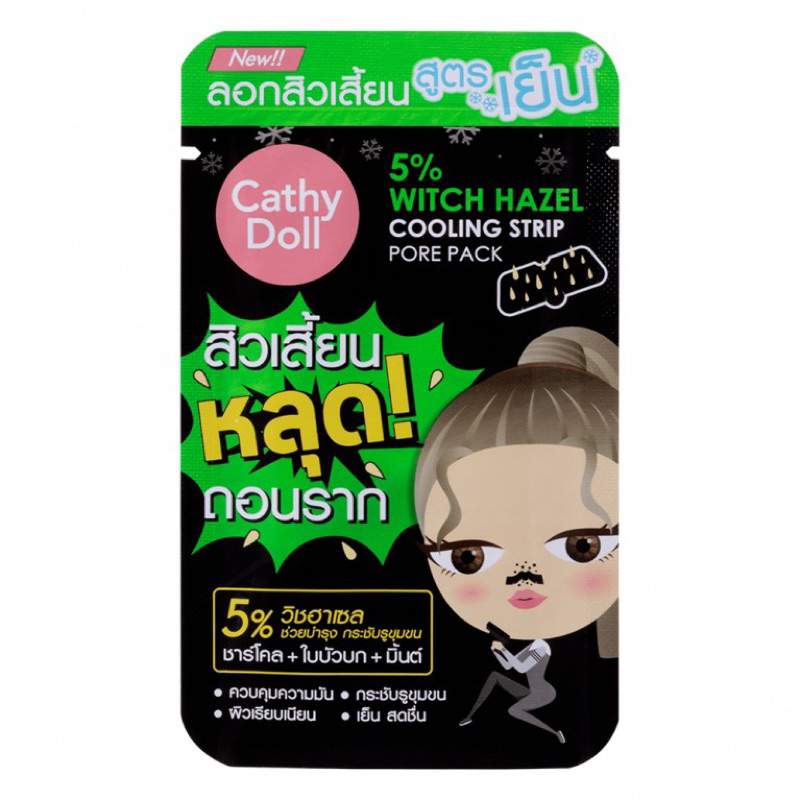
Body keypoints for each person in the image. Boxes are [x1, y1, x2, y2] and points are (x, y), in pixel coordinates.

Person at [414, 327, 619, 740]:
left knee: (513, 702)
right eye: (468, 557)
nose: (524, 574)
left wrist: (502, 652)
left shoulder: (555, 652)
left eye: (581, 546)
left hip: (549, 700)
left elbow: (519, 667)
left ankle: (551, 732)